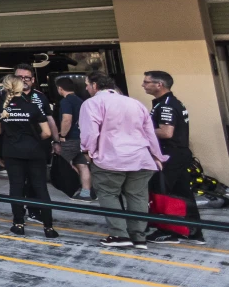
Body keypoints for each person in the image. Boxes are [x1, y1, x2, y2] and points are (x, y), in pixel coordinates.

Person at [80, 72, 165, 248]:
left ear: (95, 85)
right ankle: (139, 236)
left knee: (108, 194)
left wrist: (88, 152)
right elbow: (149, 132)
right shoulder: (134, 103)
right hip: (140, 157)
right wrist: (157, 155)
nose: (86, 88)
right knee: (138, 197)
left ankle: (119, 235)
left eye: (87, 85)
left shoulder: (92, 103)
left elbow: (90, 132)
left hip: (109, 157)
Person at [0, 73, 58, 238]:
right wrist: (34, 139)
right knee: (40, 187)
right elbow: (47, 132)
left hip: (12, 152)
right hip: (35, 151)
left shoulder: (0, 108)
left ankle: (18, 224)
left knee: (16, 187)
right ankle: (48, 227)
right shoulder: (33, 107)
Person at [141, 70, 204, 243]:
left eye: (147, 82)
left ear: (159, 84)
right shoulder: (168, 103)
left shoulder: (166, 105)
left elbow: (166, 132)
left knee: (163, 192)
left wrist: (140, 131)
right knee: (182, 192)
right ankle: (193, 232)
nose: (143, 85)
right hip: (178, 153)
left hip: (170, 154)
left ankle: (170, 231)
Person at [53, 75, 94, 201]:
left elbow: (67, 119)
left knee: (65, 164)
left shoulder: (66, 101)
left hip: (70, 139)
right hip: (81, 138)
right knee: (82, 164)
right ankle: (87, 192)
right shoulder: (80, 100)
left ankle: (74, 187)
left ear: (60, 89)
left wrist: (62, 136)